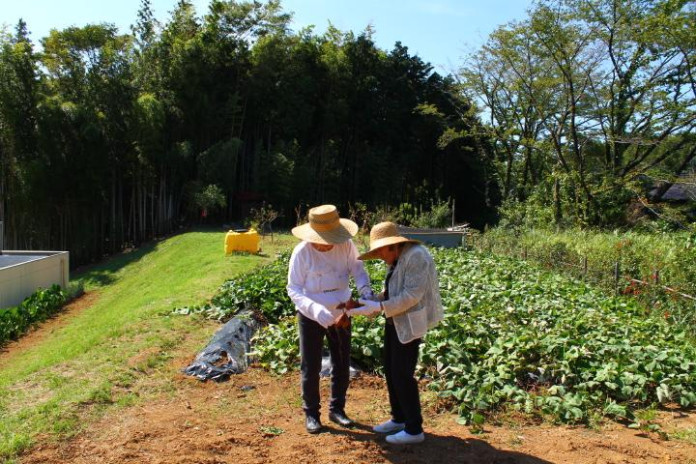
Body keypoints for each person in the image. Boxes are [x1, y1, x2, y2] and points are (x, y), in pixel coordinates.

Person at [349, 221, 443, 445]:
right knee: (391, 370)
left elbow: (412, 295)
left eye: (380, 252)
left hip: (411, 322)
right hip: (395, 320)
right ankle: (399, 418)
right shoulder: (397, 258)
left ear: (392, 246)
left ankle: (414, 428)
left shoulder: (416, 256)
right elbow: (392, 291)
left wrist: (380, 307)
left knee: (402, 373)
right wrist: (369, 302)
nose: (380, 257)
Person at [287, 204, 373, 434]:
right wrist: (315, 310)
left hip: (341, 311)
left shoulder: (345, 245)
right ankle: (312, 414)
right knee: (311, 365)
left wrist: (365, 292)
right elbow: (294, 289)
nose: (325, 243)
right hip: (311, 314)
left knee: (342, 361)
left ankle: (337, 409)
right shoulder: (302, 253)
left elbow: (358, 270)